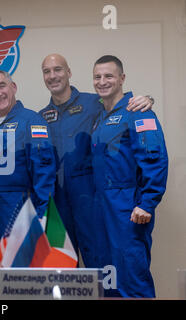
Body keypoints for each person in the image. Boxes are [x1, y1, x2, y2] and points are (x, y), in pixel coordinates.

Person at [38, 54, 154, 268]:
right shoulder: (40, 117)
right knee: (60, 266)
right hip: (56, 203)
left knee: (99, 264)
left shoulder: (94, 102)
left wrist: (147, 99)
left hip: (90, 200)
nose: (53, 76)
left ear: (69, 72)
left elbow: (121, 105)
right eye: (47, 71)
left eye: (58, 69)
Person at [91, 55, 168, 297]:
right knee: (110, 278)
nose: (102, 81)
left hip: (128, 208)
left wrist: (147, 203)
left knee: (132, 275)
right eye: (97, 77)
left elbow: (155, 160)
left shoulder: (138, 111)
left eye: (109, 76)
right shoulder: (100, 116)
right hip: (103, 207)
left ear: (122, 78)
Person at [0, 70, 56, 295]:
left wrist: (43, 217)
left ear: (13, 87)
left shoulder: (32, 121)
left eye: (1, 86)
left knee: (19, 279)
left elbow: (44, 173)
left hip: (21, 210)